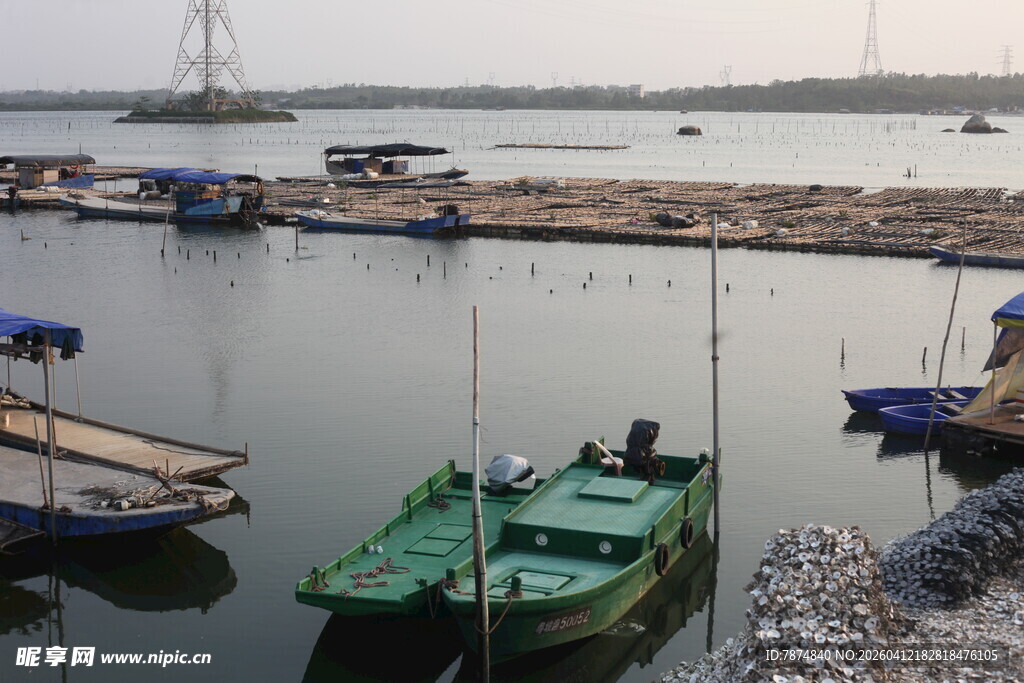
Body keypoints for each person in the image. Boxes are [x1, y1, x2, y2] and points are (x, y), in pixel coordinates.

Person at [623, 418, 665, 484]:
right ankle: (649, 478)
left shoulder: (630, 441)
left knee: (648, 458)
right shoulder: (645, 447)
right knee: (650, 460)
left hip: (629, 458)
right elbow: (650, 455)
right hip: (640, 460)